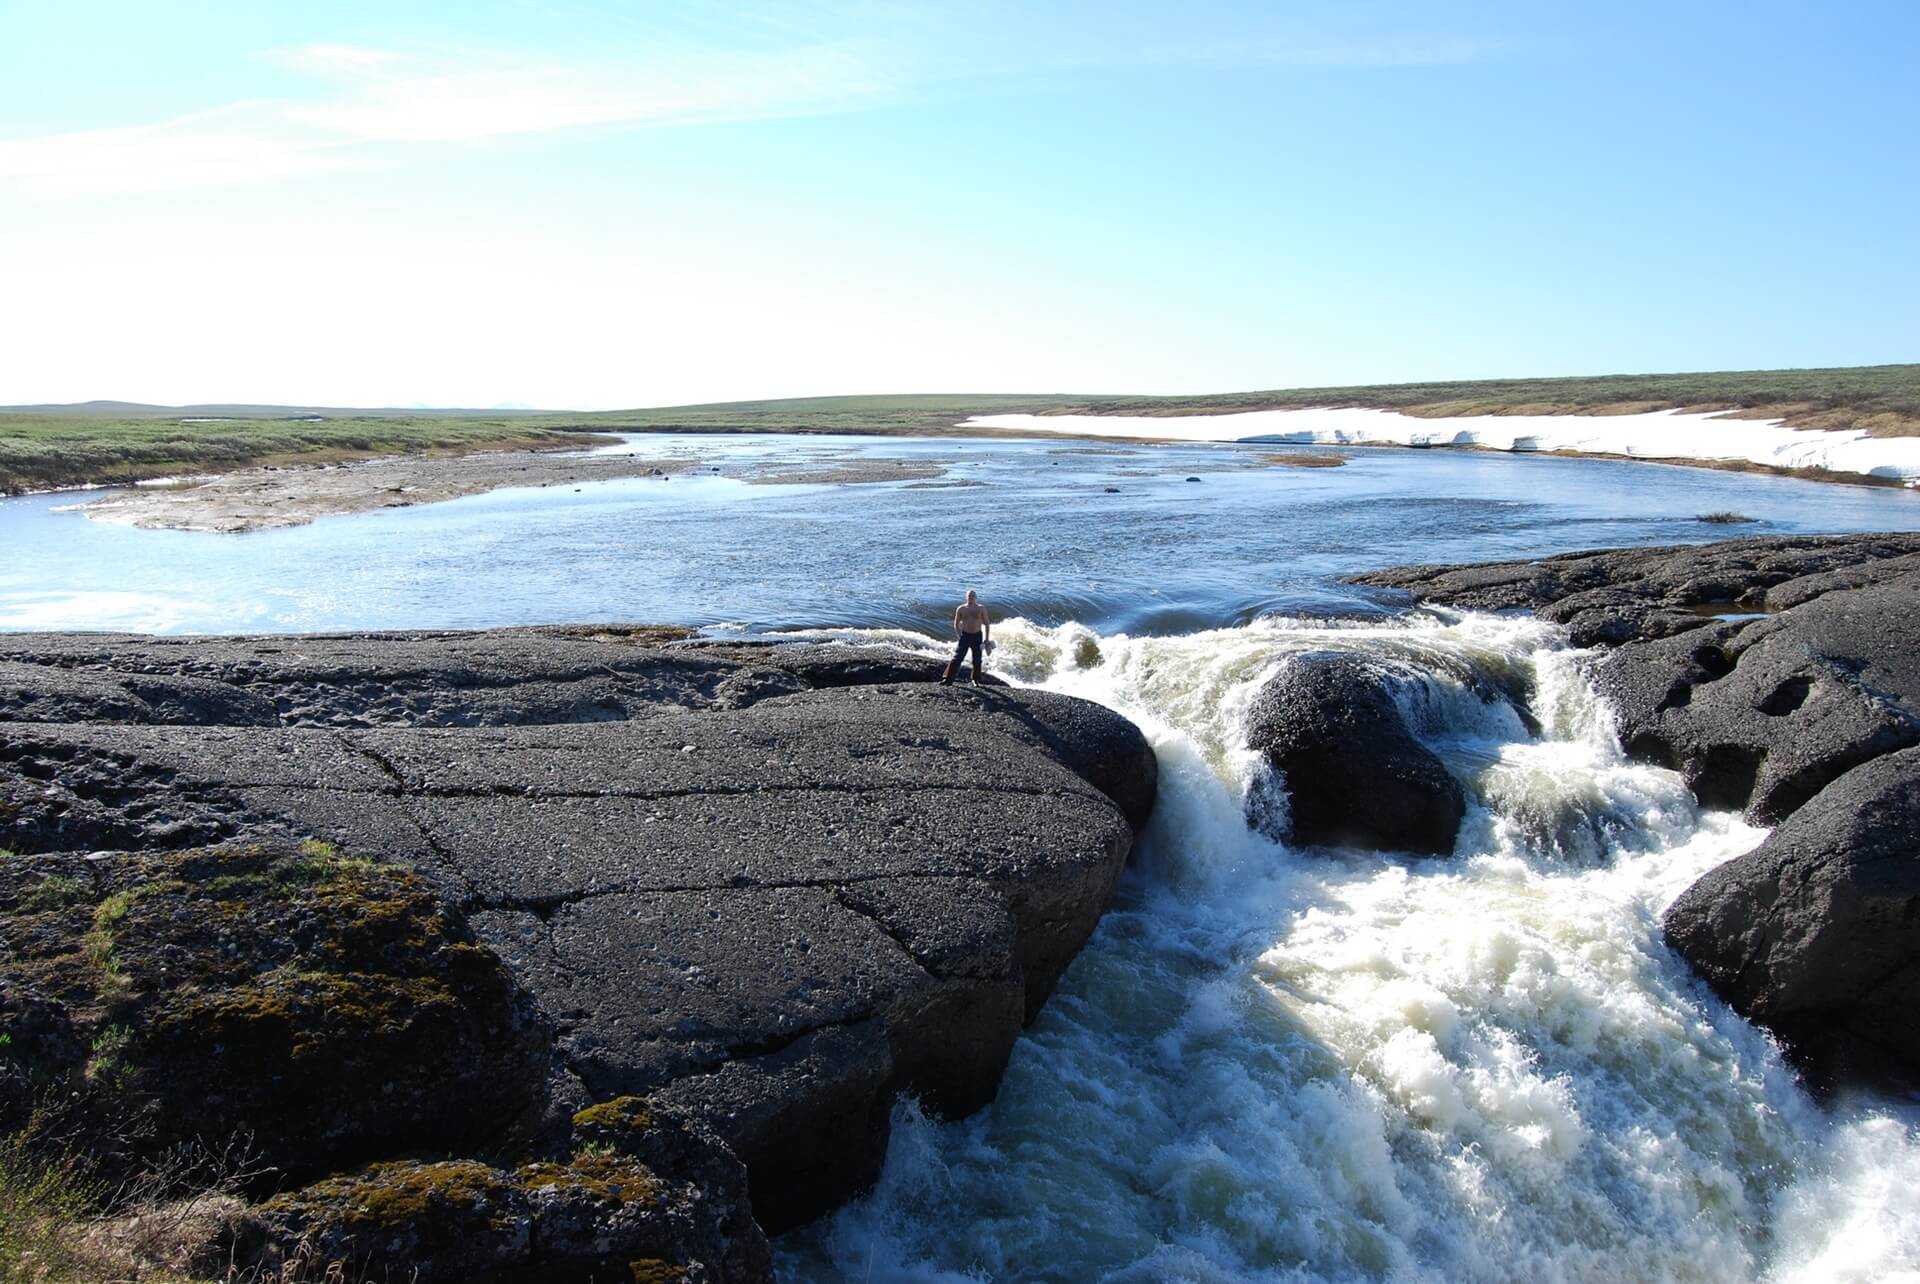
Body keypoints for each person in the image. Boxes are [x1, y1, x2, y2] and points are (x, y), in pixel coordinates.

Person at [941, 589, 992, 685]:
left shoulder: (981, 608)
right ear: (966, 597)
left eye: (972, 596)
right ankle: (948, 679)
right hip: (965, 635)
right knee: (957, 658)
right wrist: (959, 635)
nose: (971, 597)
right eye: (969, 596)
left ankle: (975, 680)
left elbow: (987, 624)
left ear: (976, 598)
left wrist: (987, 639)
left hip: (977, 636)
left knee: (977, 659)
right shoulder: (961, 609)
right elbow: (956, 624)